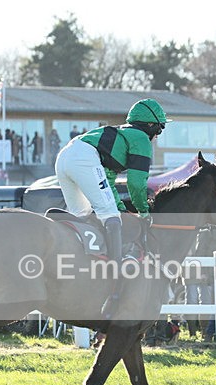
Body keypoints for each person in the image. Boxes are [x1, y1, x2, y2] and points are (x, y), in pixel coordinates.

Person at [54, 98, 170, 318]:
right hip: (83, 158)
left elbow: (107, 181)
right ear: (150, 125)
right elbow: (136, 184)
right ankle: (115, 281)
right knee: (110, 218)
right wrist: (144, 211)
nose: (157, 136)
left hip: (64, 158)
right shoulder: (141, 139)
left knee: (82, 216)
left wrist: (120, 207)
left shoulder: (121, 134)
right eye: (160, 129)